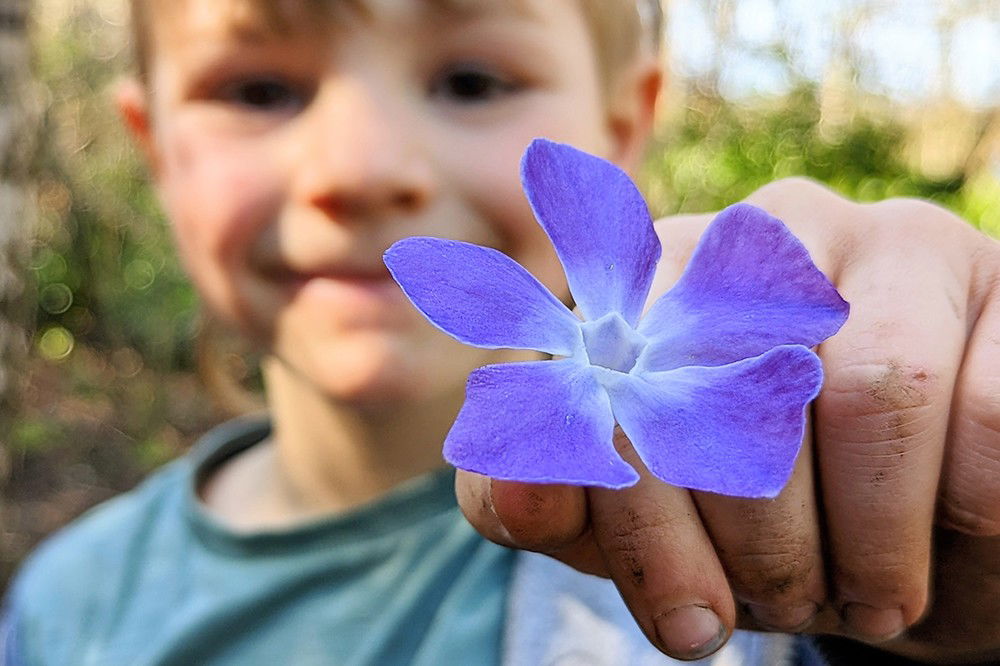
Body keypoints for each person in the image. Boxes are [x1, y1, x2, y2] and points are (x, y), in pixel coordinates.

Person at [3, 0, 1000, 663]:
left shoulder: (741, 543)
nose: (359, 167)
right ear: (155, 151)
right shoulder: (70, 610)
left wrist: (943, 603)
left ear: (619, 130)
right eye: (259, 90)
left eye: (471, 80)